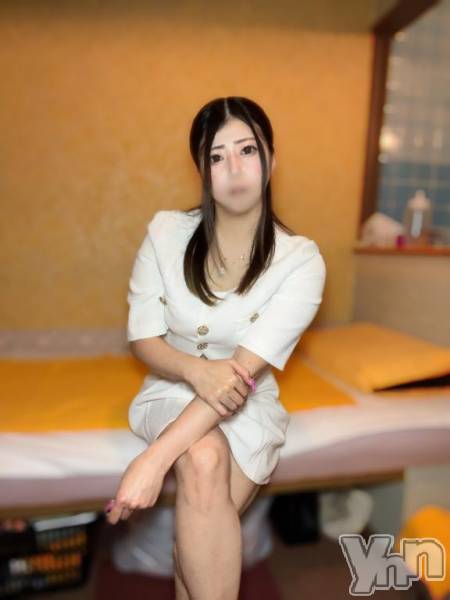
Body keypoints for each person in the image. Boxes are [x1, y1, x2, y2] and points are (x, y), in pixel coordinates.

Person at [106, 96, 327, 599]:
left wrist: (152, 461)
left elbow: (241, 375)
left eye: (247, 150)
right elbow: (143, 339)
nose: (235, 168)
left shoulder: (300, 261)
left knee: (195, 545)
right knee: (203, 462)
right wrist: (193, 370)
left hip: (249, 404)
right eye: (217, 156)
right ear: (202, 171)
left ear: (271, 158)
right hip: (170, 390)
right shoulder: (165, 233)